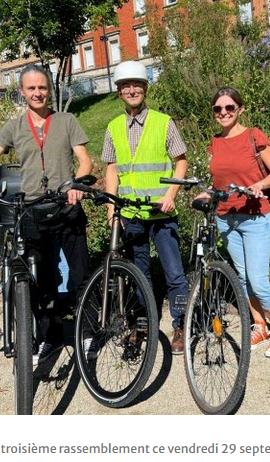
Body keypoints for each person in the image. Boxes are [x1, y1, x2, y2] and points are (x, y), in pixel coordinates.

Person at [0, 64, 92, 365]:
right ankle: (49, 338)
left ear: (49, 89)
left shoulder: (66, 121)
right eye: (31, 88)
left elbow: (85, 161)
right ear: (22, 92)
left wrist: (77, 185)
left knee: (81, 275)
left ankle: (88, 333)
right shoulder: (14, 127)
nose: (37, 93)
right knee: (42, 281)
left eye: (42, 87)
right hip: (32, 212)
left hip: (66, 206)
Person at [102, 60, 190, 354]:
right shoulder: (113, 127)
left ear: (145, 88)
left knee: (174, 273)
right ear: (118, 92)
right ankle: (142, 326)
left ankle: (180, 326)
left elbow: (181, 160)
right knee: (139, 274)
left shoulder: (164, 122)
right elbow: (112, 170)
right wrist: (112, 209)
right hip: (131, 214)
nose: (131, 90)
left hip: (161, 213)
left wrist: (171, 194)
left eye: (136, 85)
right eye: (125, 86)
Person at [201, 87, 270, 357]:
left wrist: (259, 185)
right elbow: (219, 180)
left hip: (254, 217)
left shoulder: (254, 136)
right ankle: (259, 325)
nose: (224, 113)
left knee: (259, 279)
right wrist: (206, 192)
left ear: (240, 109)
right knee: (243, 276)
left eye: (229, 108)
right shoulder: (214, 143)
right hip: (226, 218)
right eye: (218, 109)